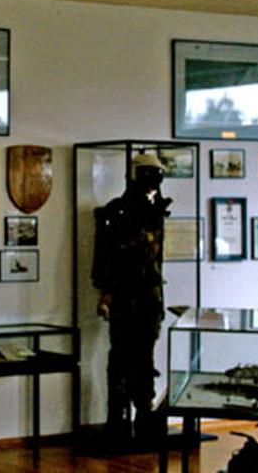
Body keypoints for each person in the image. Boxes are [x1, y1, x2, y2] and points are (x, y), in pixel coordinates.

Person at [92, 151, 172, 443]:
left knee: (145, 357)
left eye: (156, 176)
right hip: (125, 295)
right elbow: (104, 258)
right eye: (147, 175)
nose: (152, 183)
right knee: (121, 357)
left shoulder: (156, 212)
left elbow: (156, 261)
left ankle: (144, 412)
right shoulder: (117, 212)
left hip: (149, 296)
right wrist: (106, 293)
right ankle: (118, 416)